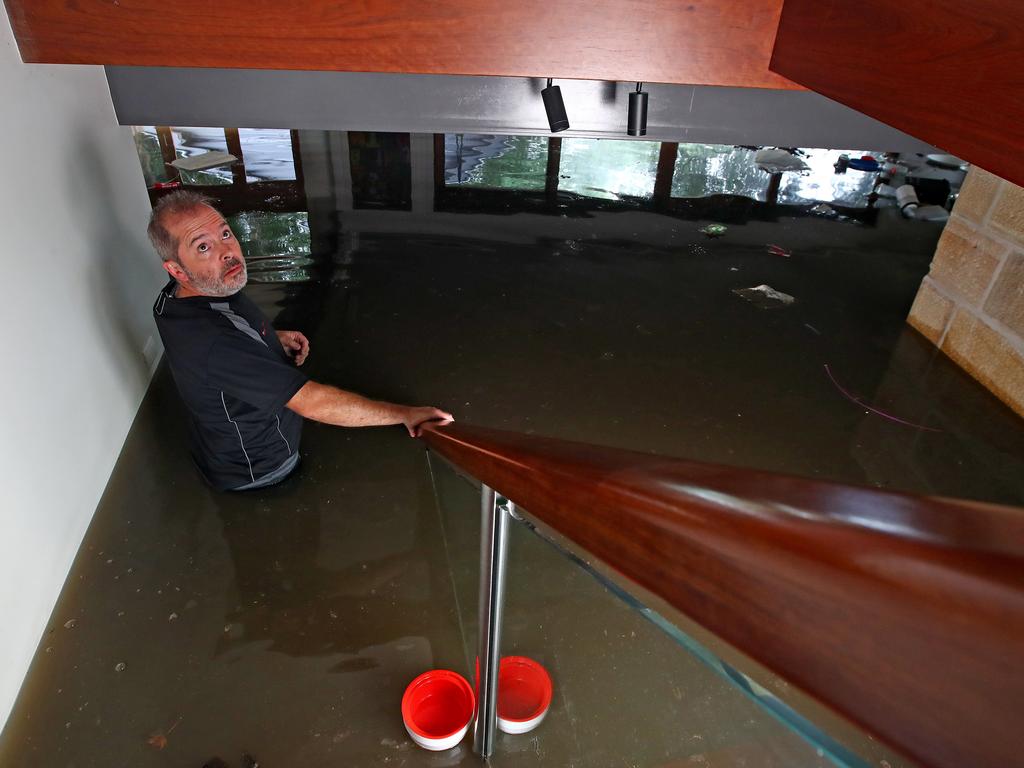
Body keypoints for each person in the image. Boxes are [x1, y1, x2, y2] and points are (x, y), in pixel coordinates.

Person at [148, 191, 453, 491]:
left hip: (216, 444)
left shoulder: (178, 298)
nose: (227, 251)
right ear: (176, 269)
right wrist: (405, 414)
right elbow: (312, 402)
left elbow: (223, 352)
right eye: (203, 247)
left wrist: (267, 340)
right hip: (261, 469)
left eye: (225, 233)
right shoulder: (215, 343)